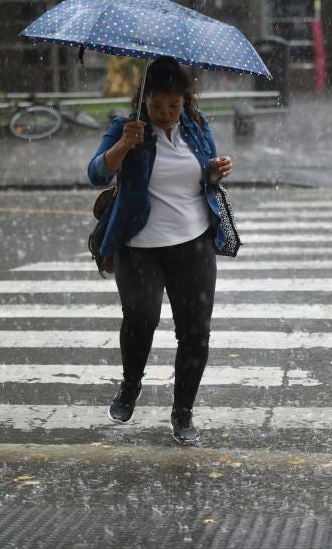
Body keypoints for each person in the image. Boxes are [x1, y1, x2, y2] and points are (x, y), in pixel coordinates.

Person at [87, 57, 233, 445]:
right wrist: (123, 145)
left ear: (186, 100)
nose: (166, 114)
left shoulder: (197, 127)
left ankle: (183, 412)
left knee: (195, 333)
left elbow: (206, 176)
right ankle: (130, 385)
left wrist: (217, 169)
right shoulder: (126, 126)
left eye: (174, 105)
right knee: (141, 318)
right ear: (144, 99)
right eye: (158, 106)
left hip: (193, 244)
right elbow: (96, 173)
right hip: (140, 247)